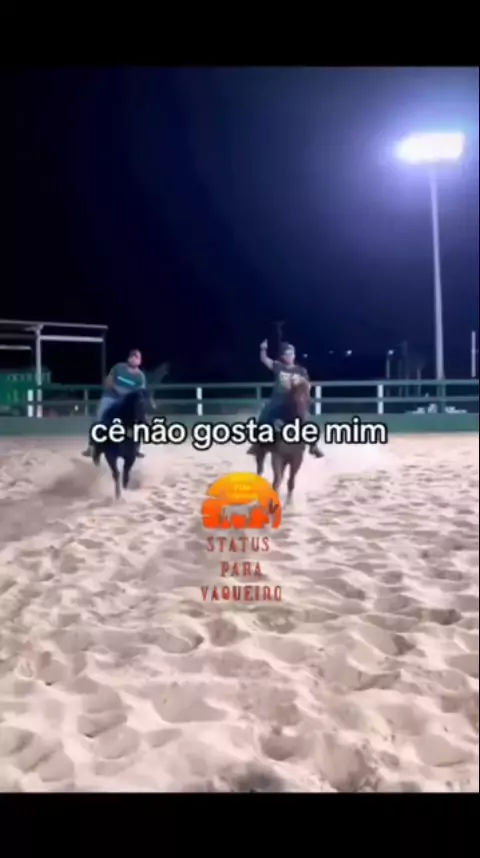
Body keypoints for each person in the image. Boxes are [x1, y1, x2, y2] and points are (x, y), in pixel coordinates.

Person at [247, 340, 323, 458]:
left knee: (307, 420)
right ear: (283, 356)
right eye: (287, 354)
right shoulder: (279, 366)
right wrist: (263, 349)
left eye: (291, 354)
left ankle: (313, 446)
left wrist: (301, 381)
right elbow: (265, 360)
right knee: (264, 415)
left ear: (294, 355)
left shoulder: (301, 370)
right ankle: (257, 444)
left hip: (293, 402)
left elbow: (308, 385)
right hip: (277, 401)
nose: (290, 356)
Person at [82, 349, 147, 458]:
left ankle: (135, 449)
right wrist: (119, 393)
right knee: (99, 417)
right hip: (111, 397)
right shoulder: (118, 367)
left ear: (140, 361)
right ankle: (91, 447)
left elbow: (139, 392)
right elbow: (108, 381)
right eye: (132, 356)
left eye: (137, 357)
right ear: (128, 358)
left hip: (127, 401)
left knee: (138, 421)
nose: (134, 358)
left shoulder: (140, 376)